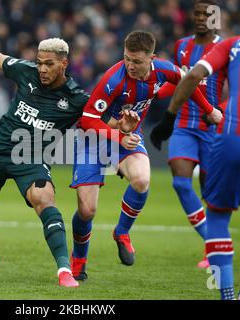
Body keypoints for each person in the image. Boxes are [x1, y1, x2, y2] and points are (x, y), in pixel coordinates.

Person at [0, 37, 138, 287]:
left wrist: (123, 129)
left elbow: (101, 122)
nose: (42, 69)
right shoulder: (26, 71)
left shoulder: (77, 99)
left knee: (44, 199)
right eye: (39, 63)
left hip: (31, 157)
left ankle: (64, 271)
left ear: (64, 63)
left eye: (49, 64)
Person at [69, 30, 223, 281]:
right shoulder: (113, 79)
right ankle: (78, 261)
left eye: (137, 61)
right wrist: (118, 135)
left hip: (127, 135)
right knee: (87, 210)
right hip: (94, 139)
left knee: (141, 180)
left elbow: (188, 82)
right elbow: (87, 118)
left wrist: (209, 110)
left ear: (152, 57)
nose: (130, 65)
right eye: (127, 58)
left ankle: (122, 232)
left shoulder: (164, 70)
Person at [149, 0, 227, 269]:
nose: (201, 18)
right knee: (181, 183)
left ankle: (213, 250)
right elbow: (180, 83)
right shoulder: (182, 46)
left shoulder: (225, 48)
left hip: (213, 127)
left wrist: (221, 111)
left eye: (207, 14)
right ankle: (210, 243)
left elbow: (233, 88)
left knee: (211, 194)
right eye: (197, 13)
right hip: (183, 125)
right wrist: (153, 95)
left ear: (216, 18)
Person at [164, 35, 240, 300]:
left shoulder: (231, 46)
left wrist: (168, 115)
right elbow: (181, 77)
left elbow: (193, 75)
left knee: (218, 213)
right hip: (192, 127)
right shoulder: (182, 45)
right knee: (183, 183)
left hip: (226, 130)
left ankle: (227, 296)